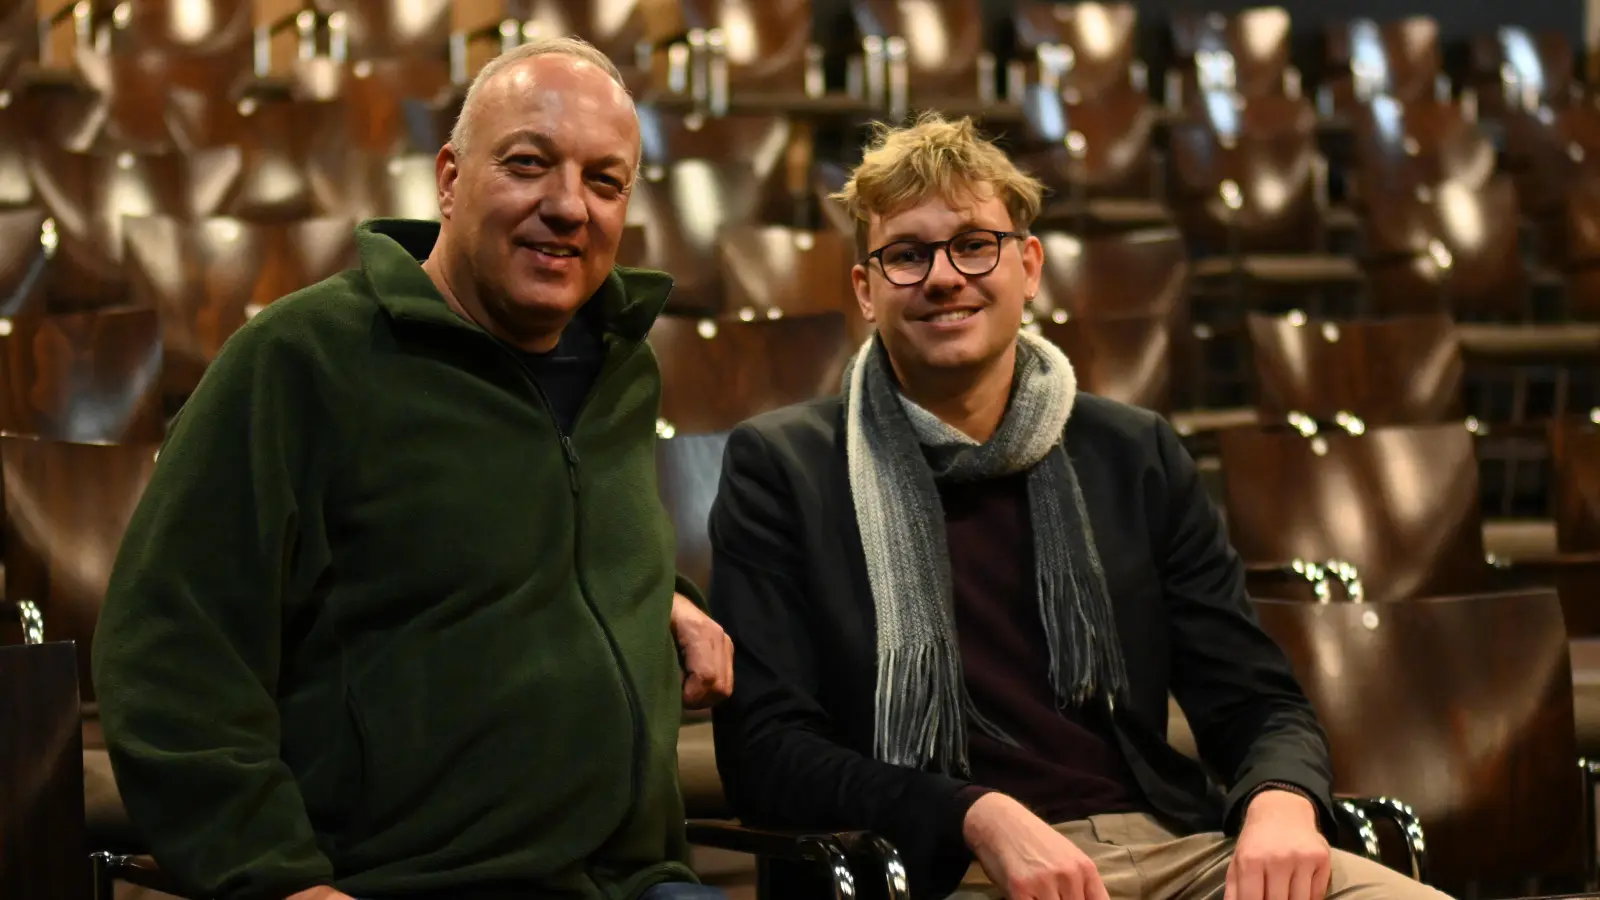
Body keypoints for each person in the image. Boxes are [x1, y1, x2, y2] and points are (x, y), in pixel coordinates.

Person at [705, 113, 1450, 900]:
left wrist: (1281, 802)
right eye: (907, 255)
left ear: (1028, 266)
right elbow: (766, 751)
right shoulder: (782, 468)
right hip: (943, 867)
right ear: (865, 289)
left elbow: (1258, 701)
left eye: (973, 244)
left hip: (1173, 849)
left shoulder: (1133, 453)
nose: (943, 276)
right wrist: (975, 815)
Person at [92, 37, 734, 900]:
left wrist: (661, 595)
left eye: (605, 180)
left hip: (629, 879)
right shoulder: (302, 359)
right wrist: (276, 878)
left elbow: (540, 530)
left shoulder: (620, 365)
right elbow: (170, 650)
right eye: (528, 164)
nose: (569, 206)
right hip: (407, 880)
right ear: (449, 177)